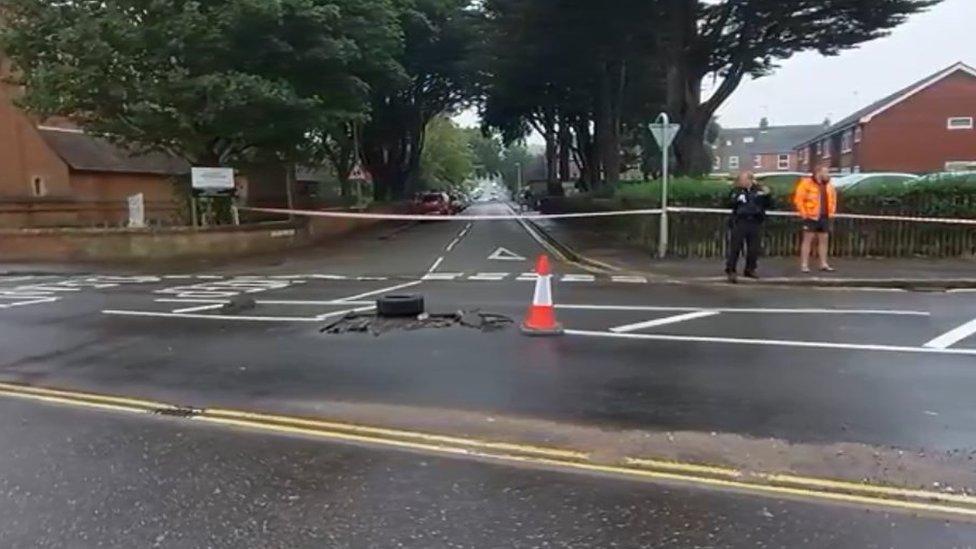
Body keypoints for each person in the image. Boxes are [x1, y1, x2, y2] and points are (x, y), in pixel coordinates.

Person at [725, 171, 772, 283]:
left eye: (744, 179)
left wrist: (767, 195)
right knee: (735, 247)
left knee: (753, 248)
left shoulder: (759, 191)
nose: (741, 182)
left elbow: (768, 203)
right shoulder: (737, 191)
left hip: (755, 221)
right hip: (740, 221)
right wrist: (736, 197)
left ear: (750, 180)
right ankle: (731, 270)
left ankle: (750, 269)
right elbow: (730, 203)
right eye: (741, 180)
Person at [792, 164, 838, 273]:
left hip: (824, 216)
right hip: (810, 216)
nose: (827, 174)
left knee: (824, 240)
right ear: (819, 173)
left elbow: (833, 199)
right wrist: (804, 214)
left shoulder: (829, 185)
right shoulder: (806, 183)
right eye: (825, 172)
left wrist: (831, 213)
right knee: (808, 240)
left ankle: (823, 263)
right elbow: (799, 199)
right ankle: (804, 265)